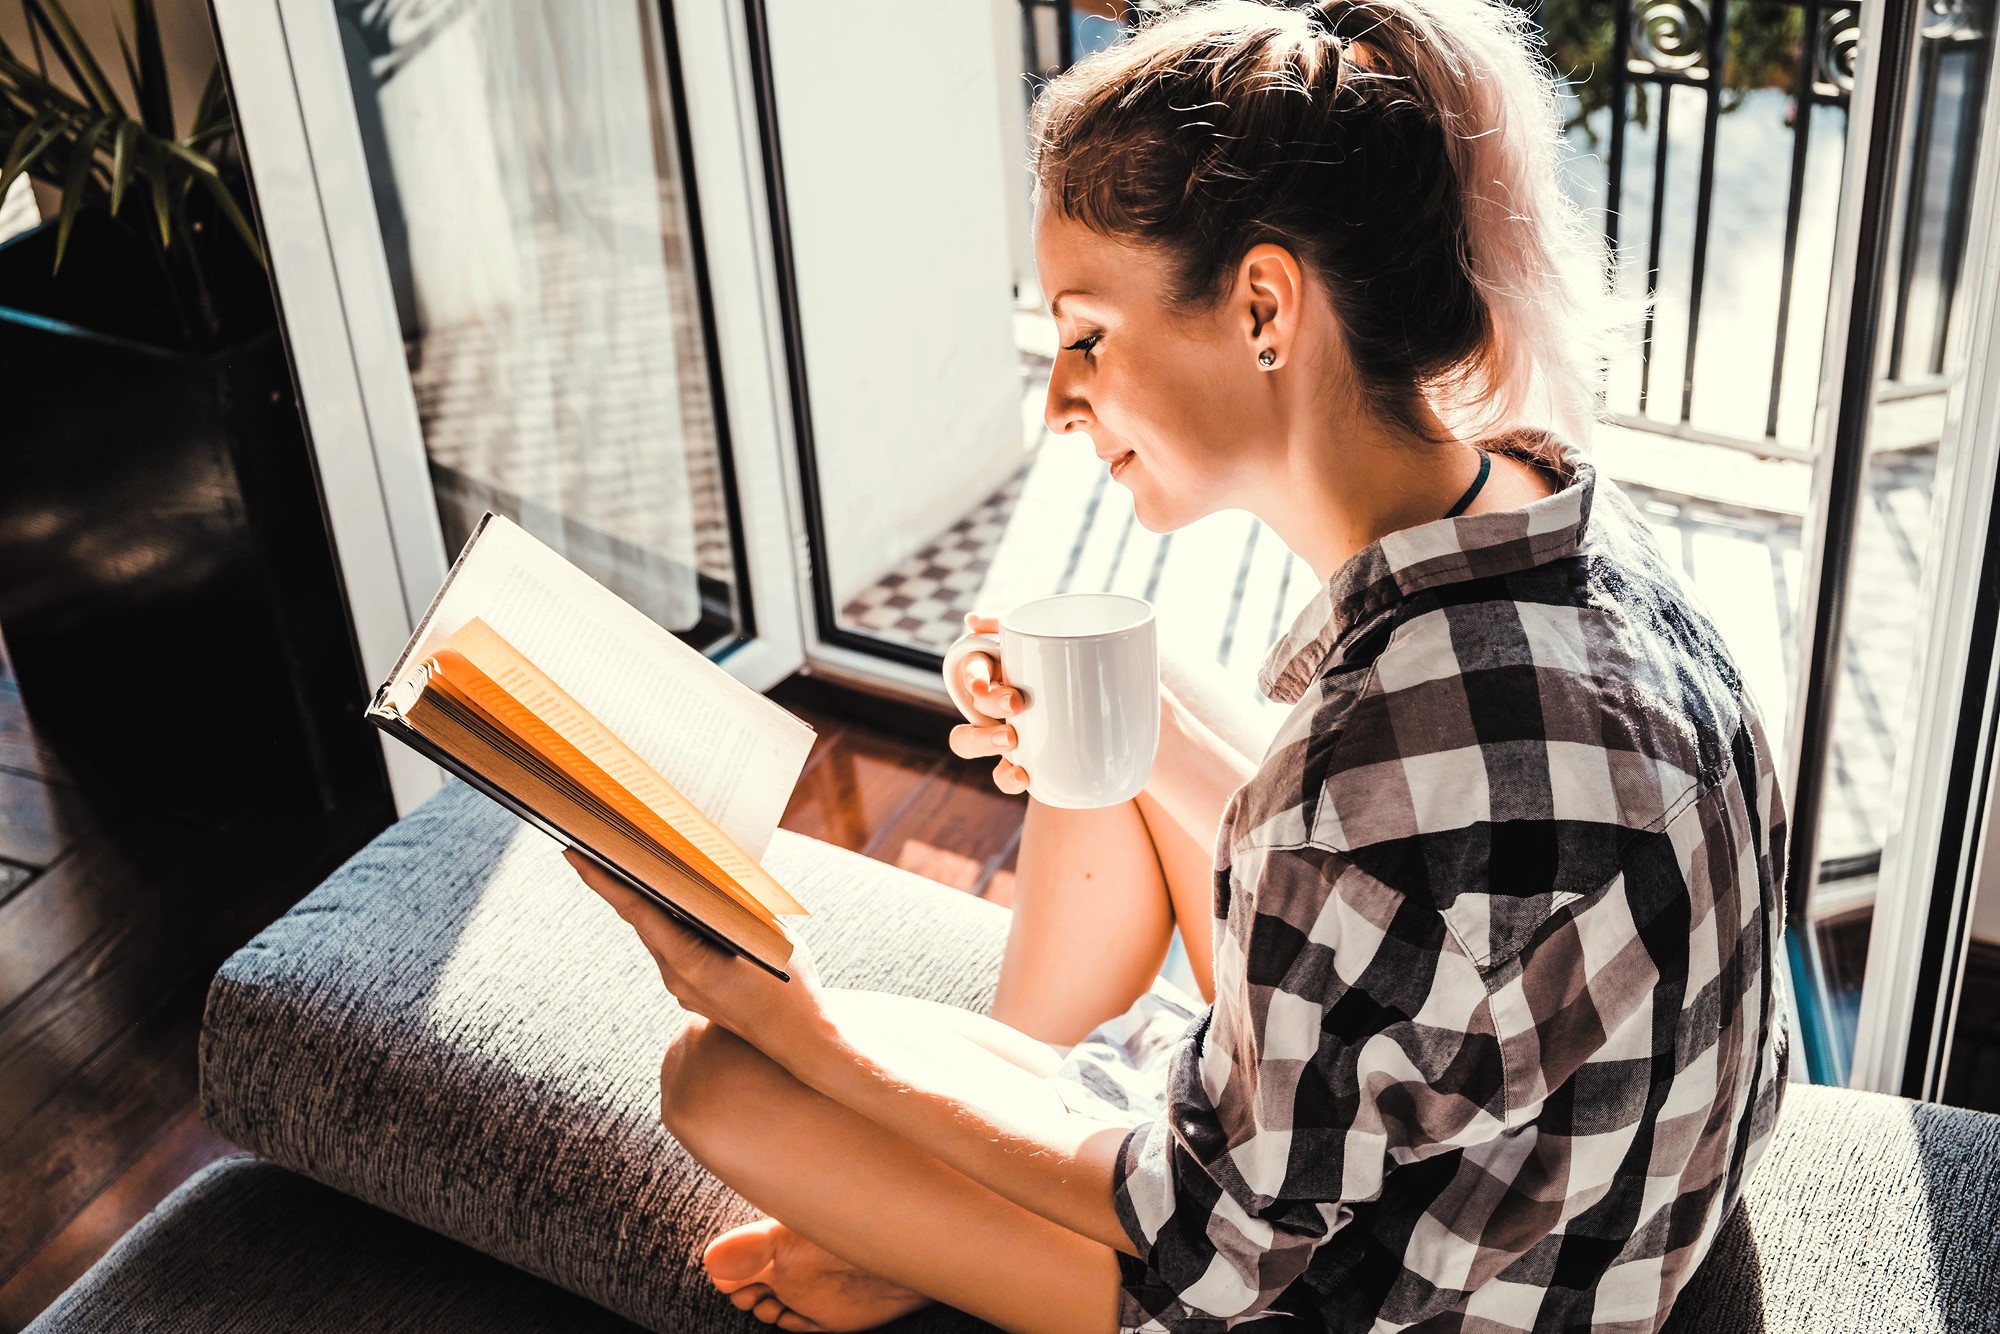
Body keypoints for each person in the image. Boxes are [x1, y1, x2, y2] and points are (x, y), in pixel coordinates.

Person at [563, 0, 1792, 1329]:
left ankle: (932, 1228)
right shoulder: (1570, 523)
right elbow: (1399, 891)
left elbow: (1208, 1247)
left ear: (1266, 305)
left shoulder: (1364, 782)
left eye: (1087, 333)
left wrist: (817, 1040)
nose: (1058, 396)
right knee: (1119, 690)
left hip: (1387, 1290)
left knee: (718, 1079)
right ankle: (968, 1170)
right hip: (1566, 1177)